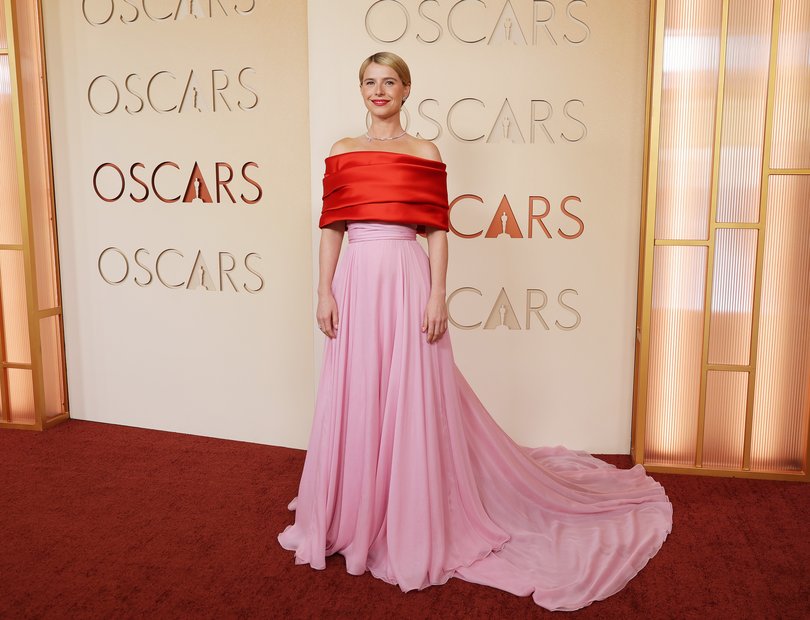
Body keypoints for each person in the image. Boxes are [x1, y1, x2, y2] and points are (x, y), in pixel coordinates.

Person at [278, 51, 672, 612]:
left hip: (407, 277)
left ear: (406, 90)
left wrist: (437, 293)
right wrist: (324, 291)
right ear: (360, 90)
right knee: (358, 391)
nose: (379, 90)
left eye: (389, 81)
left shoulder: (425, 152)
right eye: (369, 82)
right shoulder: (342, 151)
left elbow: (437, 231)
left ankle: (408, 515)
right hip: (357, 280)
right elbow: (332, 230)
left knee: (412, 392)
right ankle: (353, 510)